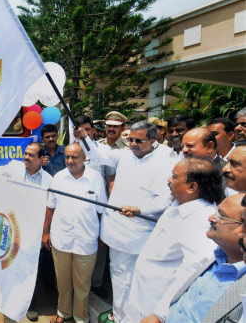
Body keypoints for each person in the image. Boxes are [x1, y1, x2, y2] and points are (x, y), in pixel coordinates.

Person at [74, 121, 175, 322]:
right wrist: (84, 137)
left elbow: (168, 197)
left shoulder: (167, 159)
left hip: (144, 233)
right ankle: (118, 316)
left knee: (141, 280)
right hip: (118, 232)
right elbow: (97, 155)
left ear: (153, 141)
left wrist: (141, 210)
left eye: (139, 140)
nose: (133, 144)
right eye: (130, 140)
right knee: (119, 278)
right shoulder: (125, 154)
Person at [127, 158, 224, 322]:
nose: (169, 180)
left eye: (174, 176)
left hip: (157, 307)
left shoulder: (201, 221)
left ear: (192, 187)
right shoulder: (178, 205)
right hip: (144, 297)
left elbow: (192, 271)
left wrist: (160, 313)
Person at [0, 142, 52, 321]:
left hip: (33, 233)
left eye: (31, 155)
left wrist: (45, 232)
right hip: (12, 228)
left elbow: (50, 207)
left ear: (41, 159)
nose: (26, 157)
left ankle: (29, 306)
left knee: (30, 269)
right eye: (25, 153)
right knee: (9, 264)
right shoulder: (14, 168)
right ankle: (7, 301)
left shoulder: (49, 181)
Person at [145, 193, 246, 323]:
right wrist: (159, 316)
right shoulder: (216, 257)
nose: (211, 217)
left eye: (222, 215)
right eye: (216, 211)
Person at [43, 143, 107, 323]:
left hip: (87, 240)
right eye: (67, 157)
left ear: (84, 158)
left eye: (75, 157)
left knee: (82, 284)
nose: (70, 161)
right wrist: (45, 232)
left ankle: (81, 317)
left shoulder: (95, 178)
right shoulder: (59, 177)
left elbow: (102, 210)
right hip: (61, 238)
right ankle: (63, 312)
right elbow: (50, 206)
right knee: (63, 282)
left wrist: (103, 236)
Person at [72, 115, 116, 298]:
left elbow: (110, 181)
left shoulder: (105, 151)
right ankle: (75, 284)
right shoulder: (70, 151)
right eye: (79, 130)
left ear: (93, 131)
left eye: (87, 130)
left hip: (98, 209)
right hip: (74, 208)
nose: (84, 133)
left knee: (99, 245)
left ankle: (96, 282)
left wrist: (111, 211)